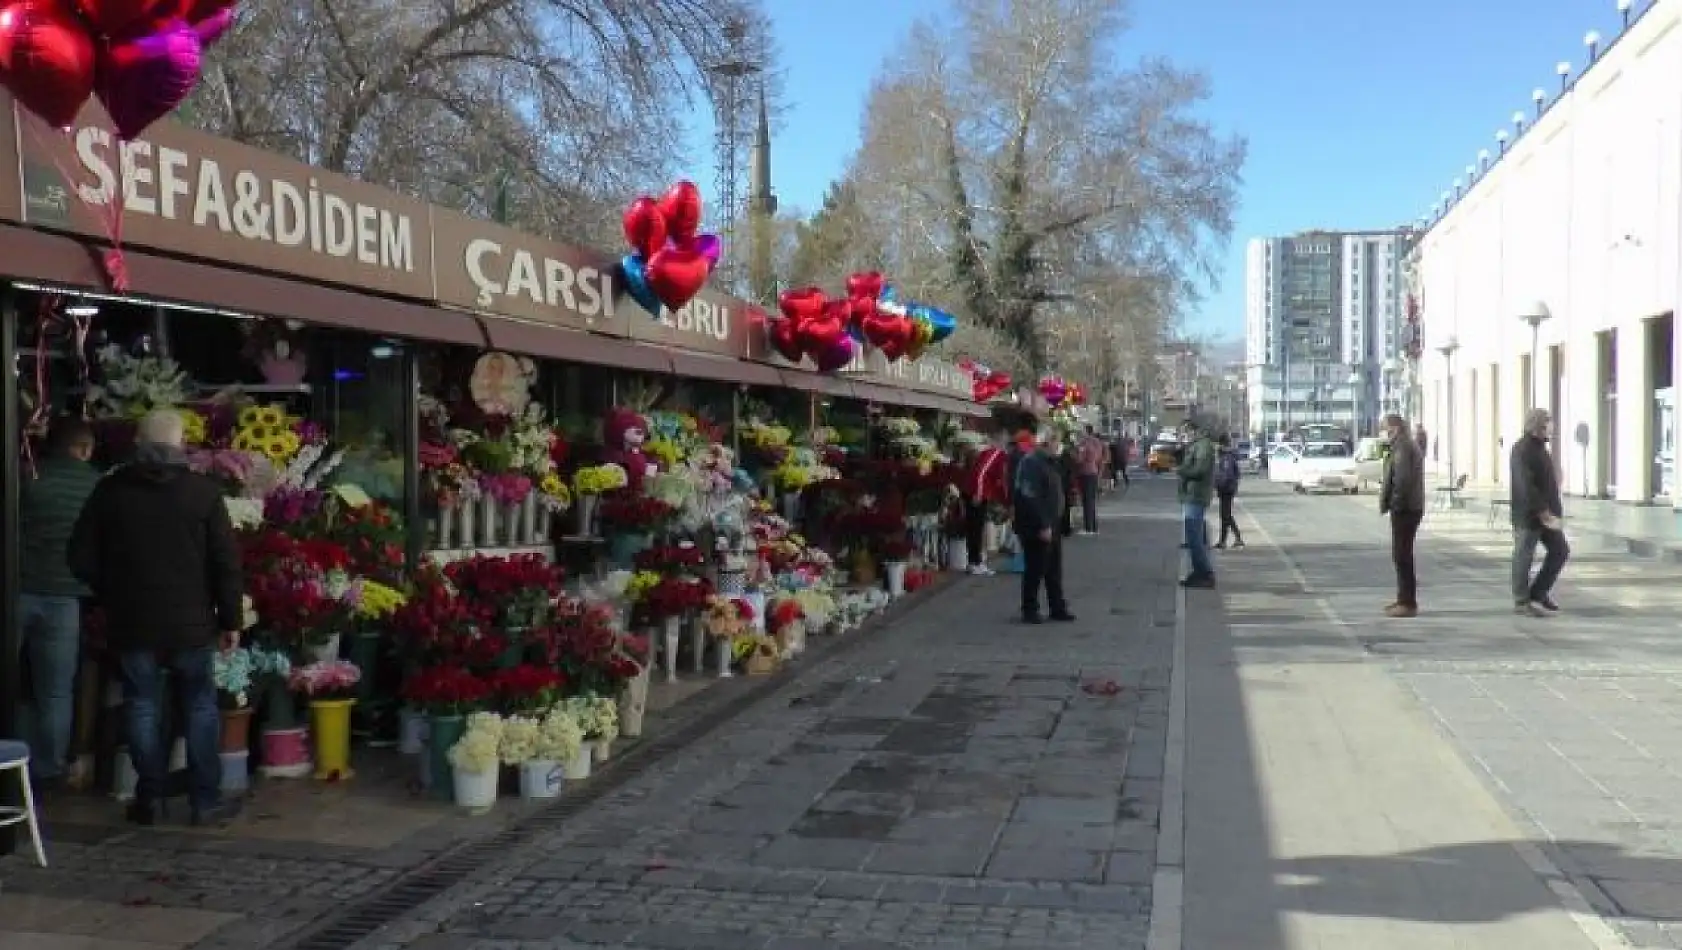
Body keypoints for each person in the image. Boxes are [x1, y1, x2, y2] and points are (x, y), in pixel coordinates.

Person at [69, 409, 245, 826]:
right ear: (180, 444)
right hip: (193, 623)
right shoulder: (202, 493)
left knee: (141, 705)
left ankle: (149, 797)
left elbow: (79, 557)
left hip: (133, 621)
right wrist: (232, 620)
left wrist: (111, 591)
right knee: (200, 707)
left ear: (138, 444)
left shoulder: (110, 492)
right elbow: (225, 563)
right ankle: (204, 801)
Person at [16, 418, 101, 789]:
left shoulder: (28, 479)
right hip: (67, 596)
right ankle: (48, 769)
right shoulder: (97, 485)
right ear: (83, 449)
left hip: (17, 590)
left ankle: (10, 758)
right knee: (56, 689)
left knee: (12, 681)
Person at [1510, 408, 1569, 617]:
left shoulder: (1541, 448)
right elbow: (1526, 485)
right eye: (1547, 423)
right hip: (1530, 514)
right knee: (1523, 556)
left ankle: (1539, 592)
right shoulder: (1521, 450)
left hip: (1548, 514)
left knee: (1560, 551)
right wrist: (1542, 510)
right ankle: (1521, 600)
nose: (1551, 427)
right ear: (1536, 426)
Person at [1012, 428, 1074, 624]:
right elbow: (1029, 496)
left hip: (1051, 522)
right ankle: (1029, 609)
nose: (1058, 446)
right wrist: (1043, 524)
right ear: (1046, 443)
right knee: (1035, 568)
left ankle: (1057, 607)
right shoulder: (1032, 463)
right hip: (1036, 525)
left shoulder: (1049, 463)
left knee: (1053, 569)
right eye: (1056, 442)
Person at [1378, 413, 1426, 618]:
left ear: (1394, 427)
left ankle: (1407, 602)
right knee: (1402, 555)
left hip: (1406, 508)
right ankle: (1403, 599)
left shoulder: (1403, 447)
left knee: (1402, 555)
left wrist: (1395, 504)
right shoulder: (1402, 445)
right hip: (1409, 506)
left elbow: (1403, 480)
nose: (1384, 432)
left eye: (1385, 428)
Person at [961, 431, 1009, 576]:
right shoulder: (995, 453)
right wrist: (979, 493)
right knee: (976, 527)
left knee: (973, 528)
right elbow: (982, 472)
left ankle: (973, 562)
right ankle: (976, 563)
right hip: (977, 493)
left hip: (975, 491)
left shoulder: (989, 452)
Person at [1177, 420, 1217, 588]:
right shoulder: (1197, 446)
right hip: (1192, 494)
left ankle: (1205, 573)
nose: (1183, 436)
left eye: (1185, 432)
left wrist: (1181, 470)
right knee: (1195, 536)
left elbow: (1199, 470)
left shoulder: (1203, 447)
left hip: (1196, 495)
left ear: (1194, 431)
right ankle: (1199, 570)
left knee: (1194, 538)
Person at [1212, 434, 1244, 550]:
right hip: (1226, 489)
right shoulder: (1225, 456)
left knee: (1226, 515)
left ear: (1221, 445)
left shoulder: (1226, 458)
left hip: (1226, 489)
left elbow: (1227, 475)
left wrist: (1218, 485)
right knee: (1225, 516)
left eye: (1217, 445)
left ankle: (1236, 538)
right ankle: (1224, 541)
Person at [1074, 425, 1108, 534]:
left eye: (1082, 431)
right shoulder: (1097, 442)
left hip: (1086, 472)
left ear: (1086, 432)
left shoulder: (1085, 443)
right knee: (1091, 501)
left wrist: (1078, 454)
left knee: (1087, 501)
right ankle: (1093, 526)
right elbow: (1099, 456)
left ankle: (1088, 527)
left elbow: (1080, 459)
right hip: (1093, 472)